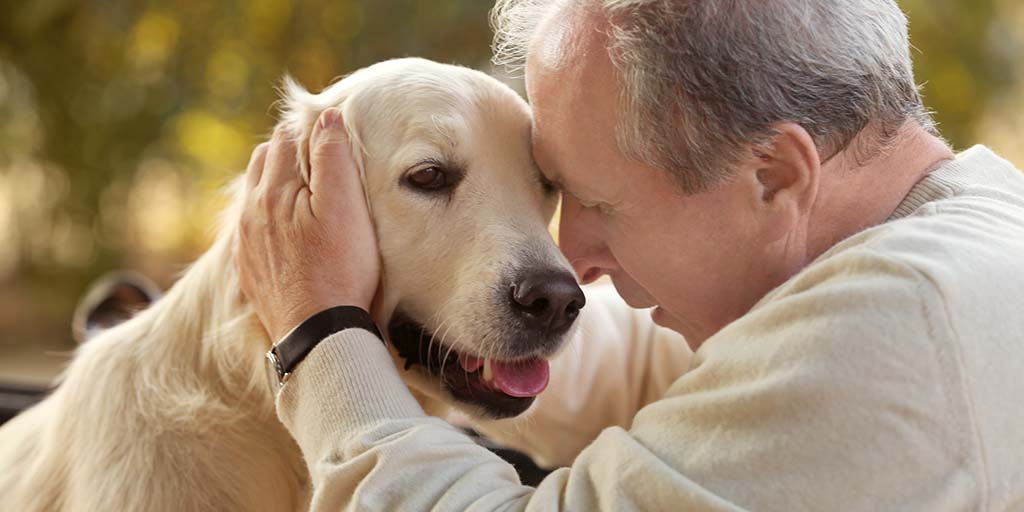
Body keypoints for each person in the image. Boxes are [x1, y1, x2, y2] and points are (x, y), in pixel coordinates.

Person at [236, 0, 1024, 510]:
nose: (572, 258)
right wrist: (451, 311)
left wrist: (320, 332)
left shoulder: (900, 331)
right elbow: (654, 375)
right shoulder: (970, 235)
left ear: (774, 174)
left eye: (597, 203)